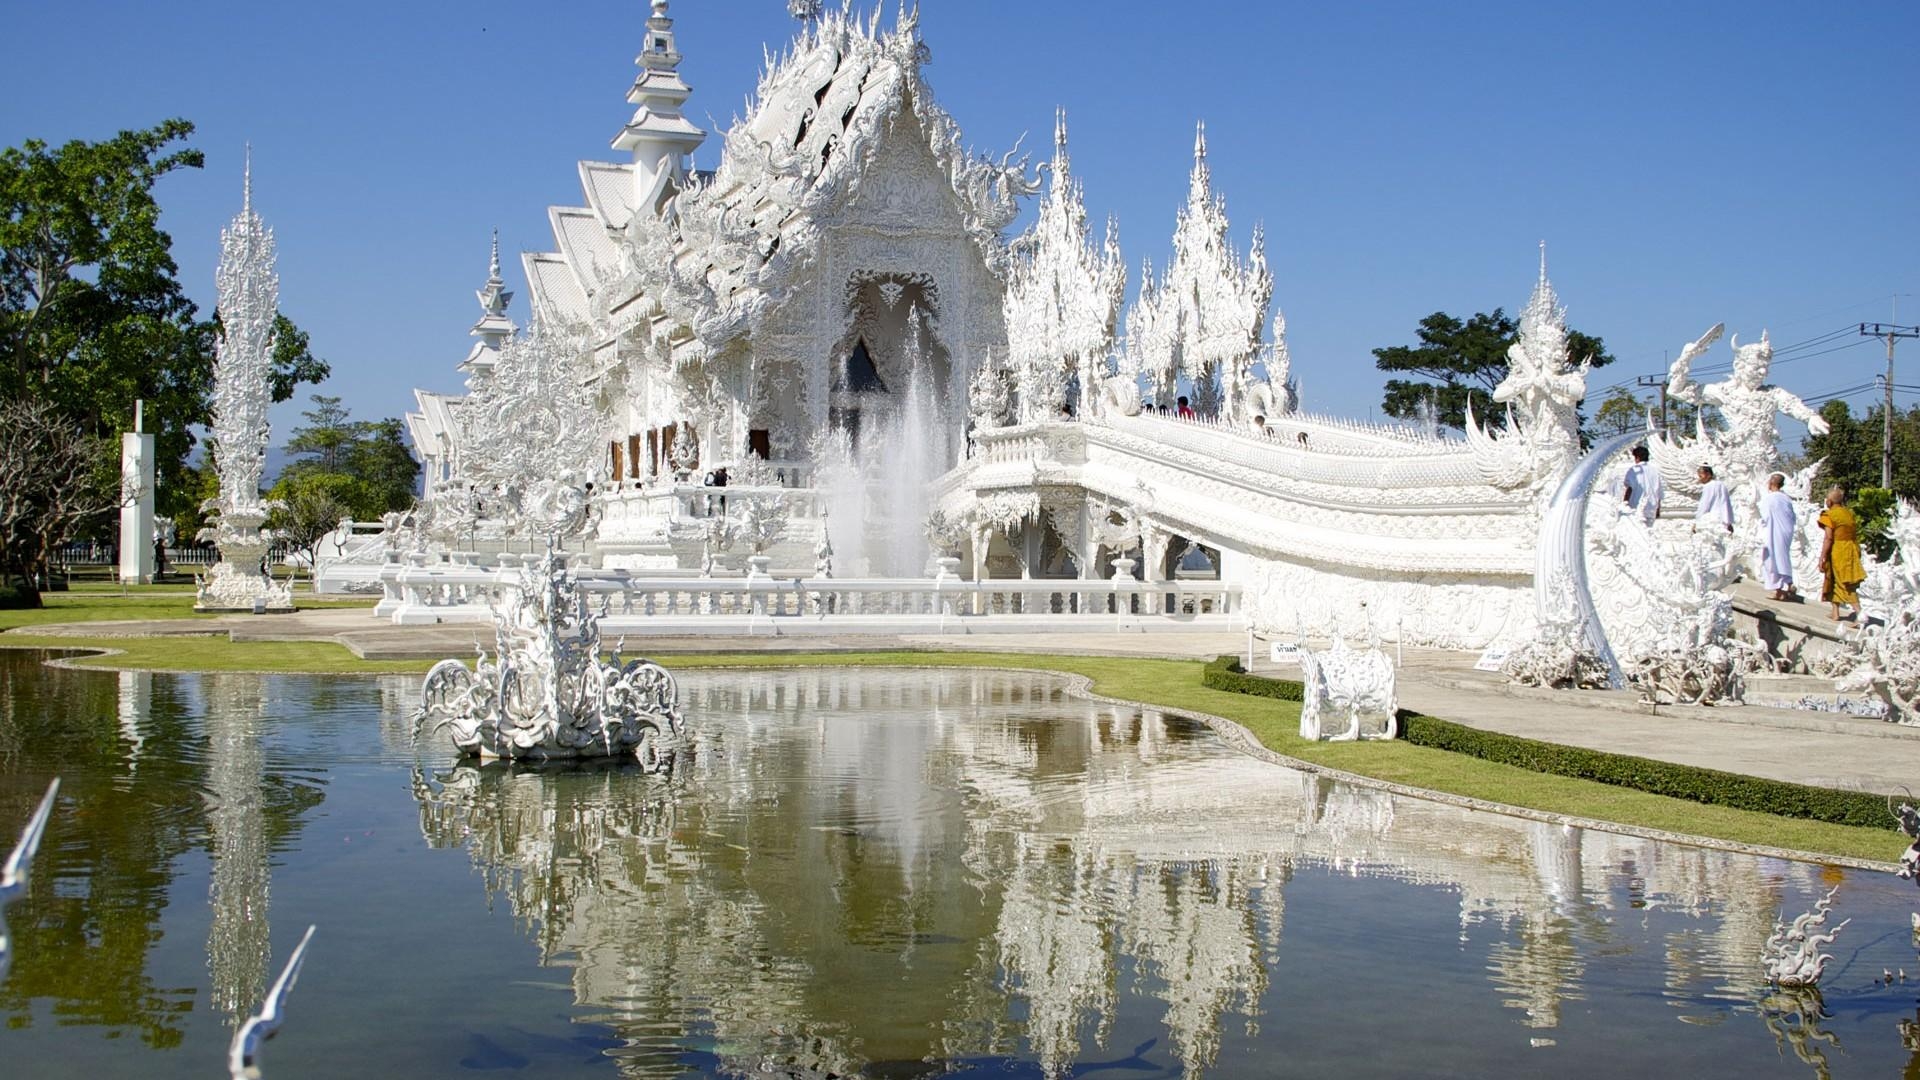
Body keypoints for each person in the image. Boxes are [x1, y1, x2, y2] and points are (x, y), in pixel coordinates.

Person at [1817, 485, 1866, 621]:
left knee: (1843, 582)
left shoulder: (1829, 515)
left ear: (1830, 502)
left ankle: (1860, 614)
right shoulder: (1848, 513)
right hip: (1851, 547)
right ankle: (1835, 612)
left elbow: (1828, 538)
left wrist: (1822, 556)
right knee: (1832, 578)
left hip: (1839, 549)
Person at [1757, 472, 1798, 601]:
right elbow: (1792, 517)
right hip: (1786, 531)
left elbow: (1764, 517)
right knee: (1782, 557)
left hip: (1773, 531)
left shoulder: (1769, 499)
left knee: (1772, 559)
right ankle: (1783, 587)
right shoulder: (1786, 498)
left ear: (1772, 484)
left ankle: (1783, 587)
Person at [1621, 445, 1664, 525]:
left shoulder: (1634, 470)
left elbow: (1629, 488)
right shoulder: (1655, 471)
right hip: (1651, 509)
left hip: (1636, 508)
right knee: (1648, 534)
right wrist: (1658, 509)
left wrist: (1625, 504)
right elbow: (1659, 492)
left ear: (1637, 457)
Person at [1692, 464, 1733, 534]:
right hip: (1722, 520)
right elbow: (1726, 504)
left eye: (1700, 476)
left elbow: (1704, 505)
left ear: (1708, 474)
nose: (1700, 479)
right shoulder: (1722, 485)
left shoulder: (1708, 486)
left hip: (1710, 520)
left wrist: (1697, 522)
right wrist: (1728, 522)